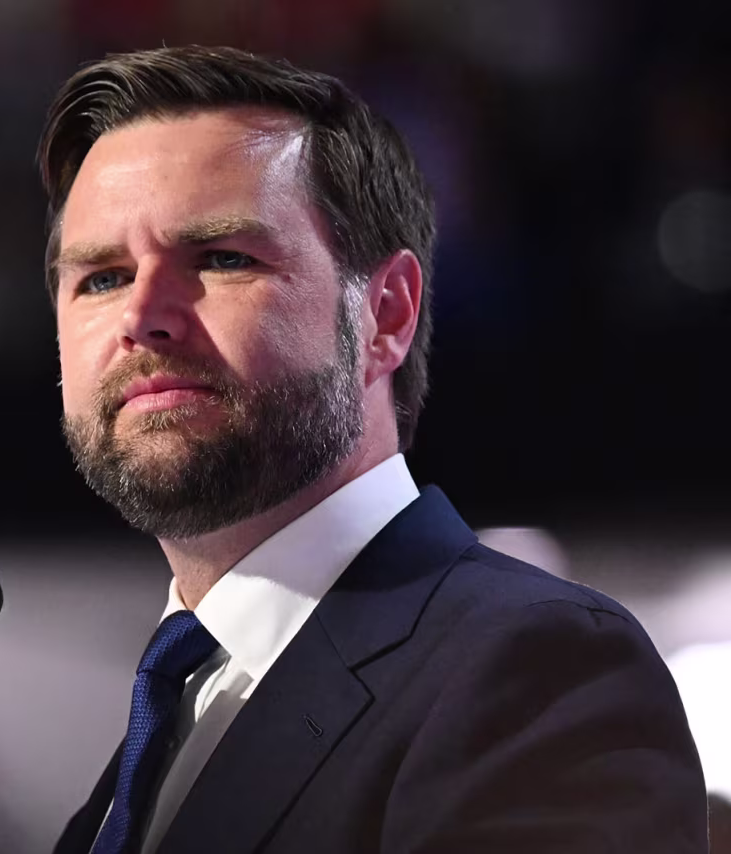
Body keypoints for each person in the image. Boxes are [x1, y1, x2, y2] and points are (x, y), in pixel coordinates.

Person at [38, 46, 707, 854]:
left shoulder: (537, 670)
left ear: (385, 314)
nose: (142, 314)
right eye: (101, 277)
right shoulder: (172, 713)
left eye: (221, 258)